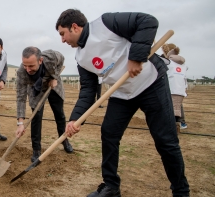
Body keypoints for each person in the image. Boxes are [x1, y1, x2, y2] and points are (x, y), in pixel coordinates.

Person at [56, 9, 189, 197]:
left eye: (62, 34)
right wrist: (75, 118)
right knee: (109, 133)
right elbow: (87, 90)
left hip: (151, 82)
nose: (62, 40)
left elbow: (147, 21)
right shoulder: (80, 58)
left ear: (75, 27)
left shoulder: (106, 23)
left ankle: (181, 191)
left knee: (165, 140)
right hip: (122, 93)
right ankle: (111, 186)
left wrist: (136, 56)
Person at [15, 47, 73, 162]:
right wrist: (20, 123)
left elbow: (62, 59)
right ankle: (36, 149)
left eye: (31, 66)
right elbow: (20, 97)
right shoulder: (22, 72)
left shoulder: (51, 57)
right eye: (25, 65)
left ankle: (64, 139)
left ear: (40, 60)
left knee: (59, 114)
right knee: (36, 118)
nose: (27, 69)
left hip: (53, 86)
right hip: (36, 89)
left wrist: (54, 77)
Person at [162, 43, 187, 133]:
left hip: (171, 87)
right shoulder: (182, 63)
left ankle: (173, 124)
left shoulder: (168, 62)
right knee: (177, 105)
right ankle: (180, 122)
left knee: (169, 106)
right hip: (180, 89)